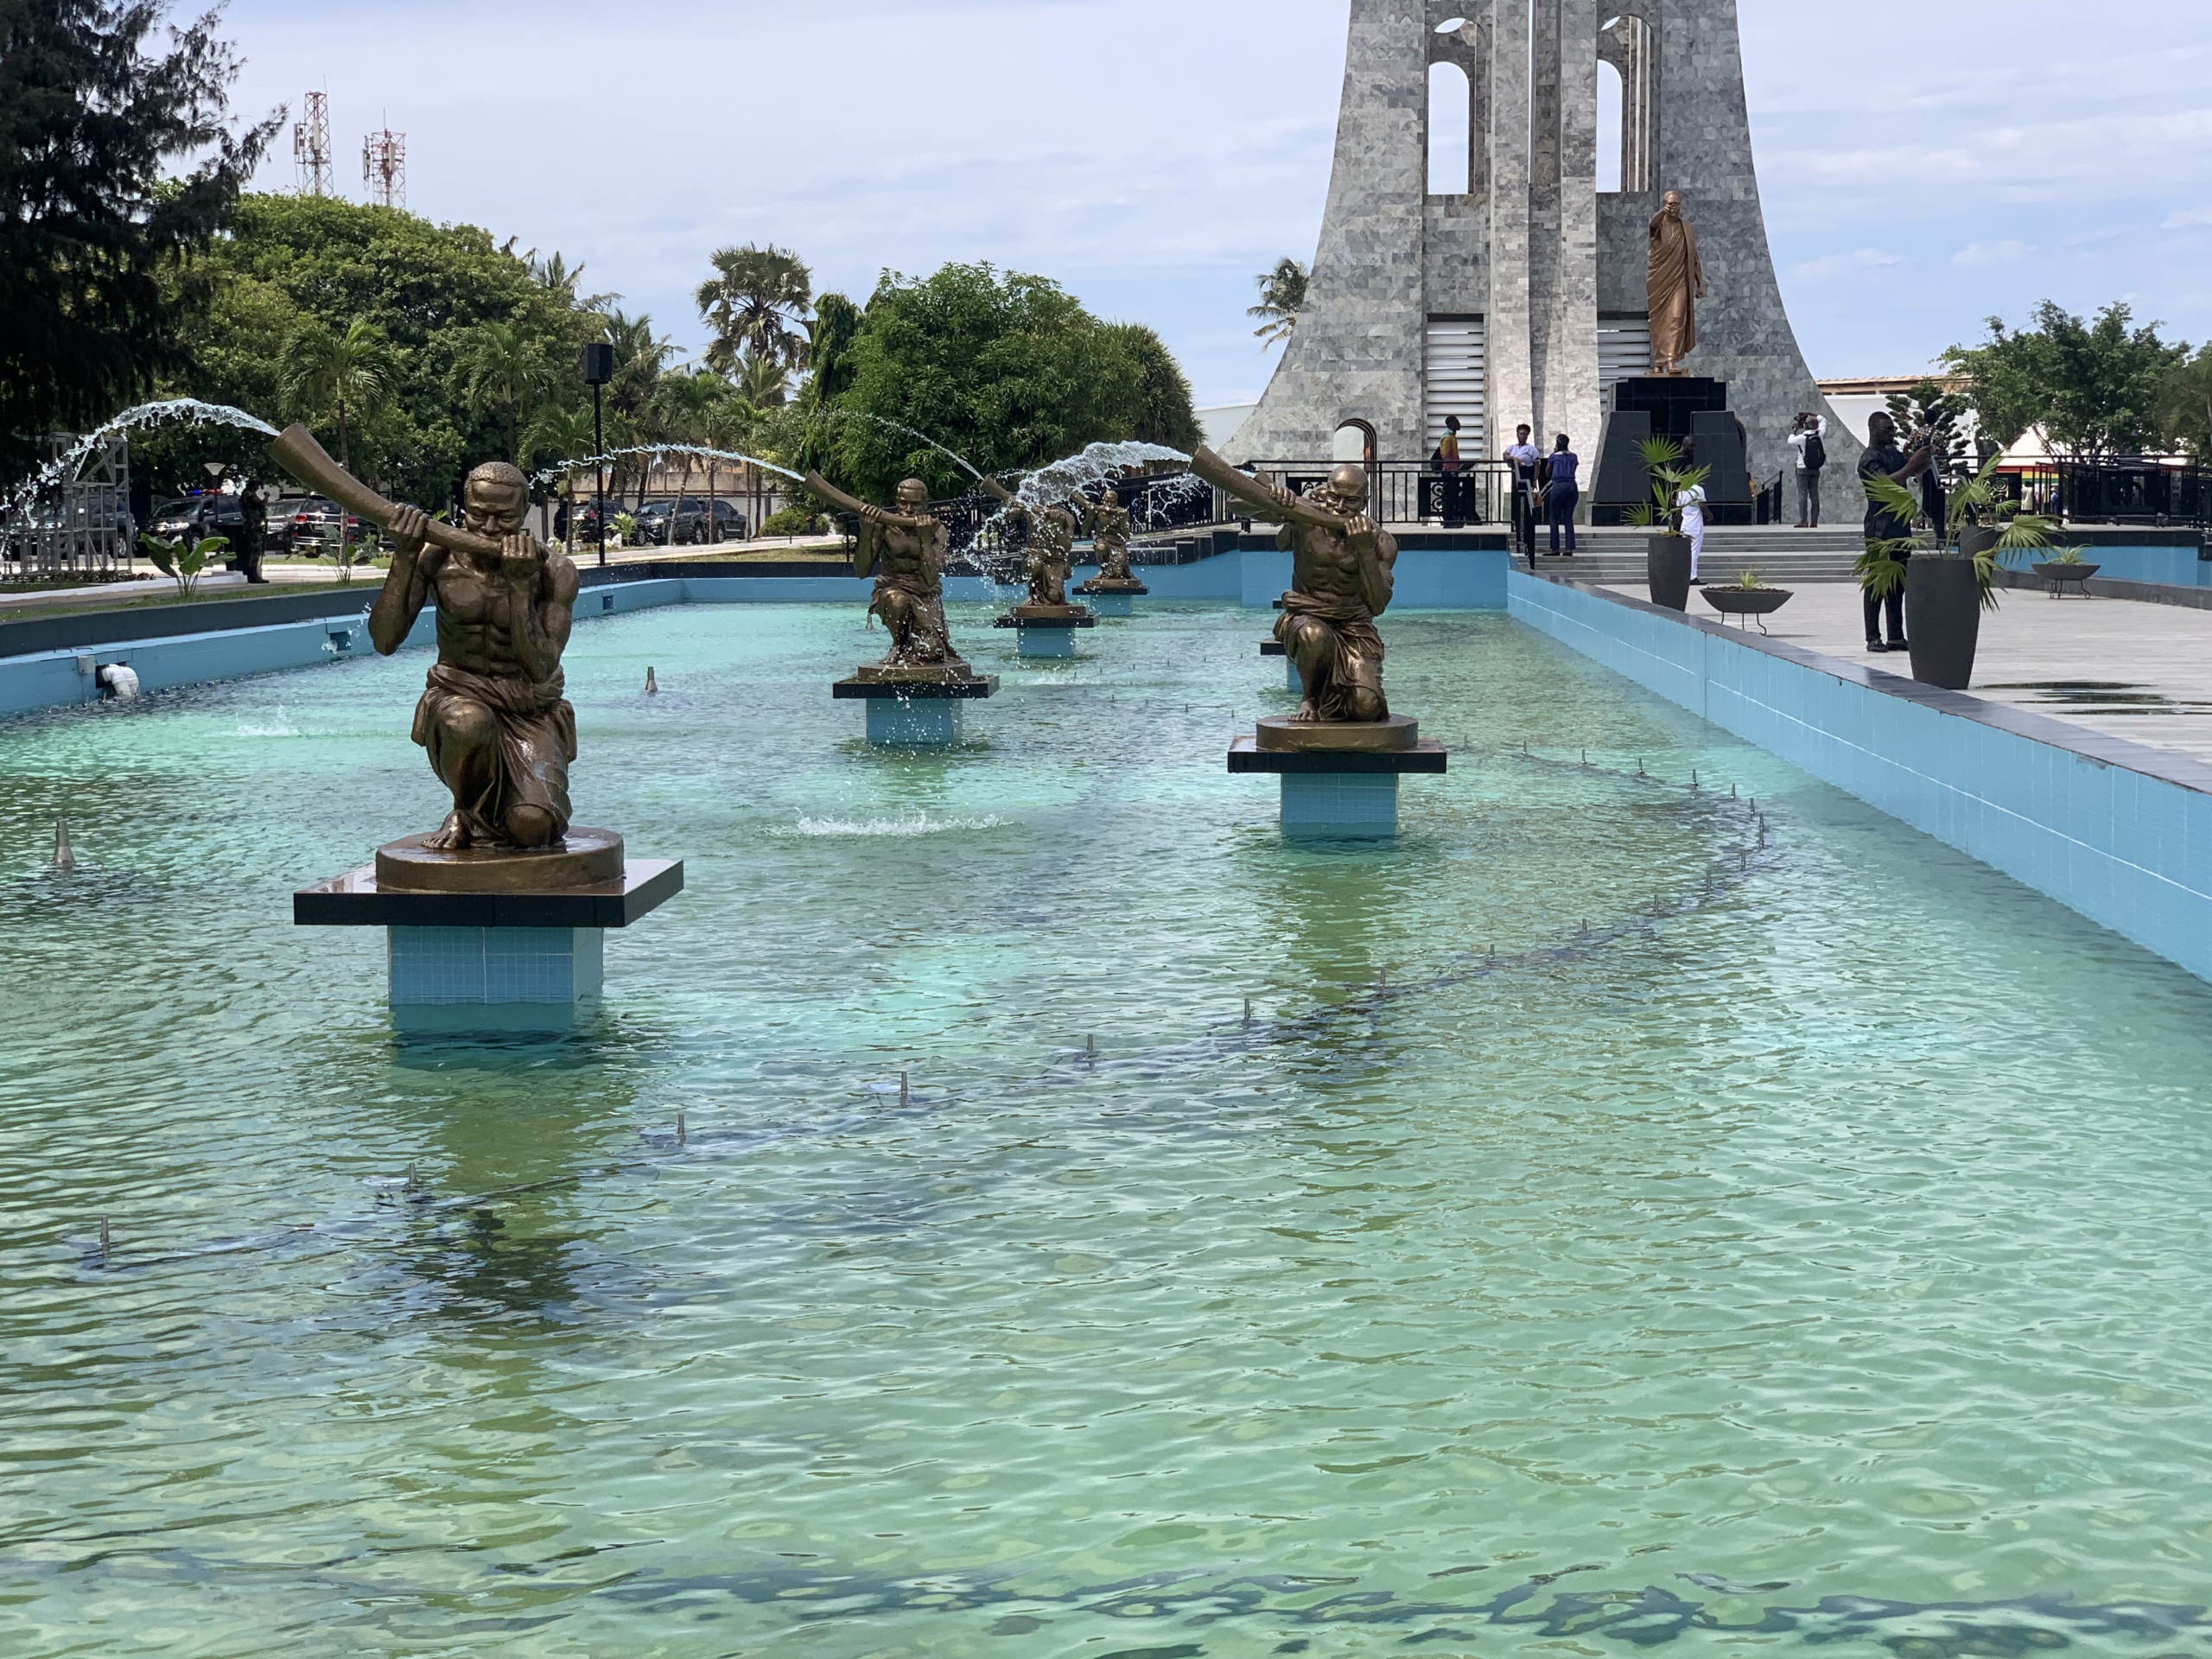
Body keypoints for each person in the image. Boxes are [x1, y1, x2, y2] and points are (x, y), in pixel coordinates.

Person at [371, 461, 582, 850]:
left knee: (532, 829)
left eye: (503, 518)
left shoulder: (553, 571)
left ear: (524, 513)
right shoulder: (436, 560)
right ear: (462, 507)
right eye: (476, 515)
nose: (487, 528)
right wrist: (403, 557)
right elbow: (385, 641)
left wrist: (519, 588)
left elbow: (540, 667)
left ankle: (513, 812)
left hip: (527, 707)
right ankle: (464, 810)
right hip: (459, 696)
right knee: (468, 720)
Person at [1189, 448, 1396, 722]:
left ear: (1365, 501)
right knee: (1313, 633)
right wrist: (1279, 500)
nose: (1340, 507)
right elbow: (1236, 502)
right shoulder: (1305, 517)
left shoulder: (1380, 541)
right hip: (1307, 615)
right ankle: (1308, 699)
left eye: (1351, 501)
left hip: (1353, 624)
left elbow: (1378, 604)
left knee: (1367, 708)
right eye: (1334, 496)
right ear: (1326, 489)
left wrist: (1365, 551)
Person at [1858, 410, 1936, 653]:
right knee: (1877, 583)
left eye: (1893, 429)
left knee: (1898, 584)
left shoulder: (1893, 453)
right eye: (1887, 429)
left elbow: (1909, 473)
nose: (1892, 433)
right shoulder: (1868, 459)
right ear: (1873, 430)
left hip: (1899, 525)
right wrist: (1911, 465)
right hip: (1879, 526)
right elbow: (1887, 484)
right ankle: (1873, 636)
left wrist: (1923, 458)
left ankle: (1896, 636)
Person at [1503, 423, 1541, 560]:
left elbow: (1536, 464)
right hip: (1515, 478)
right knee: (1516, 503)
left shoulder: (1531, 449)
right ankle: (1516, 526)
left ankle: (1526, 532)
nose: (1522, 436)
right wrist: (1514, 459)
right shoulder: (1512, 448)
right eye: (1520, 433)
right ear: (1517, 434)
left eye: (1525, 434)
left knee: (1526, 505)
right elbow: (1506, 455)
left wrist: (1535, 480)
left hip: (1526, 477)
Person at [1788, 412, 1827, 528]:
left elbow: (1790, 441)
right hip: (1815, 468)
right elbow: (1823, 419)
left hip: (1802, 469)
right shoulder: (1820, 434)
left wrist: (1794, 430)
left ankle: (1803, 521)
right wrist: (1810, 413)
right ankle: (1814, 521)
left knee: (1803, 495)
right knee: (1814, 495)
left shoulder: (1802, 438)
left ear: (1805, 426)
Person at [1545, 434, 1580, 554]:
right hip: (1572, 486)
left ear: (1557, 444)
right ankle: (1569, 548)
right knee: (1568, 518)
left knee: (1554, 517)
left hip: (1559, 486)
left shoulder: (1554, 457)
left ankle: (1555, 548)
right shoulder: (1574, 457)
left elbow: (1547, 472)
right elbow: (1574, 469)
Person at [1676, 459, 1707, 584]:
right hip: (1695, 524)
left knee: (1686, 552)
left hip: (1685, 524)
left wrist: (1678, 524)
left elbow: (1679, 509)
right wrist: (1710, 516)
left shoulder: (1681, 490)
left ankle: (1684, 575)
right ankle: (1692, 576)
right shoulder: (1698, 489)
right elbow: (1703, 505)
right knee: (1694, 551)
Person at [1434, 414, 1465, 528]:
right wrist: (1452, 469)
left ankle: (1451, 520)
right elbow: (1445, 456)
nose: (1458, 424)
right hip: (1449, 472)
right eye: (1456, 421)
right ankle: (1448, 521)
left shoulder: (1452, 436)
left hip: (1453, 471)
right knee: (1449, 496)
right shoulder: (1447, 437)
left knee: (1453, 495)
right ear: (1451, 424)